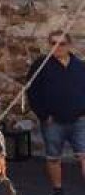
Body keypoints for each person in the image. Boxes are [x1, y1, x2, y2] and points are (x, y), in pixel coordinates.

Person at [26, 30, 85, 195]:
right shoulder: (41, 66)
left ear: (69, 45)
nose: (57, 47)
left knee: (84, 155)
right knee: (54, 158)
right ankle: (57, 189)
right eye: (53, 43)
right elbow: (32, 92)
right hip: (53, 122)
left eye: (61, 44)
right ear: (49, 45)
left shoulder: (79, 66)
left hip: (79, 120)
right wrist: (44, 115)